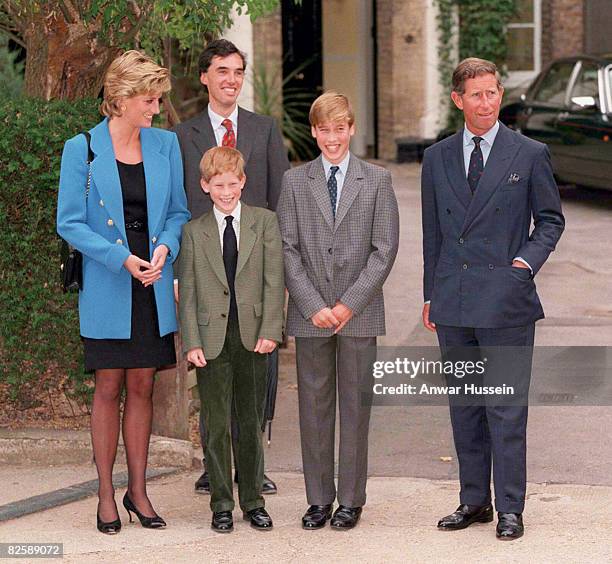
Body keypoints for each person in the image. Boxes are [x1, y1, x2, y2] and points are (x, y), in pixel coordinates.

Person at [421, 57, 565, 540]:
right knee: (465, 406)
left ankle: (510, 507)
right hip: (454, 298)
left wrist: (522, 265)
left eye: (493, 92)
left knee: (504, 407)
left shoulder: (528, 153)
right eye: (476, 95)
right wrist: (429, 294)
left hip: (505, 301)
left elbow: (550, 221)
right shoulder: (436, 157)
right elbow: (433, 234)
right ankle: (473, 500)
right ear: (458, 100)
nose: (486, 102)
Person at [57, 50, 190, 534]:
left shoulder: (166, 145)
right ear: (122, 98)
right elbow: (68, 222)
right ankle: (105, 494)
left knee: (143, 385)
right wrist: (122, 259)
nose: (156, 109)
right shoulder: (83, 149)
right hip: (109, 282)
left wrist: (164, 250)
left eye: (157, 100)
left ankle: (138, 491)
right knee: (108, 385)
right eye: (149, 100)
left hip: (151, 283)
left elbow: (177, 212)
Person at [277, 92, 400, 530]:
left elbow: (384, 250)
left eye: (340, 128)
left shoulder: (377, 180)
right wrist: (312, 305)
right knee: (313, 406)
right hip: (311, 314)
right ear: (313, 132)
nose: (332, 138)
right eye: (324, 129)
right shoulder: (295, 182)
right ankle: (318, 499)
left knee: (355, 404)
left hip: (358, 312)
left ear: (352, 129)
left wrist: (349, 303)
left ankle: (350, 499)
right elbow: (287, 249)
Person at [173, 38, 289, 495]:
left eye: (238, 71)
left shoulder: (264, 129)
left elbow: (280, 201)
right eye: (222, 71)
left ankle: (253, 466)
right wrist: (183, 272)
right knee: (215, 375)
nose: (231, 80)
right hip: (208, 266)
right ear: (205, 77)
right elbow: (180, 206)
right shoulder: (183, 136)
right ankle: (215, 468)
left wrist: (279, 277)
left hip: (256, 270)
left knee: (258, 376)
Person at [177, 146, 284, 532]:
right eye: (218, 184)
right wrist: (192, 340)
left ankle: (253, 500)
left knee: (251, 419)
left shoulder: (265, 223)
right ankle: (221, 502)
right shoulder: (193, 232)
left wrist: (272, 329)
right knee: (216, 422)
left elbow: (275, 281)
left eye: (233, 183)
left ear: (243, 182)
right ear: (205, 186)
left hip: (254, 335)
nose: (226, 191)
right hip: (210, 338)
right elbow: (187, 291)